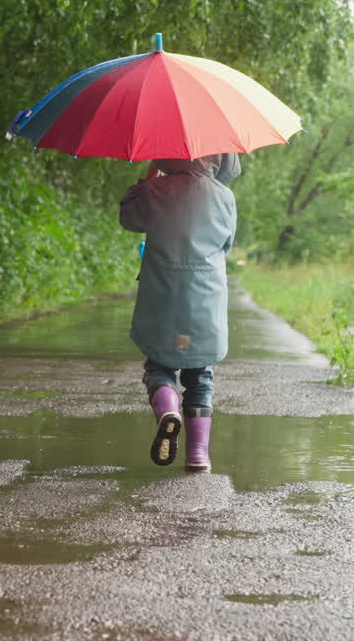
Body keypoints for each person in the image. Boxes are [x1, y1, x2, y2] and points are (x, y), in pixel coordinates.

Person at [119, 153, 240, 472]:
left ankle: (168, 409)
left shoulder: (156, 190)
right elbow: (227, 243)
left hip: (162, 294)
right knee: (200, 376)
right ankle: (198, 454)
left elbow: (129, 219)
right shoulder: (224, 196)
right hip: (206, 298)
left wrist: (146, 182)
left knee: (159, 365)